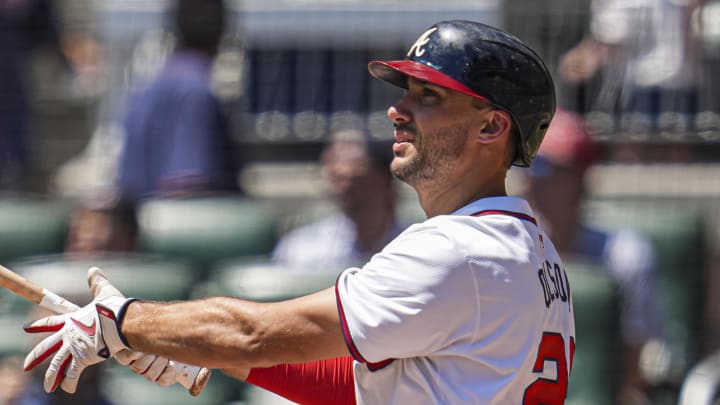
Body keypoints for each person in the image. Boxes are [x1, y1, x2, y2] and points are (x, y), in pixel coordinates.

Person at [22, 20, 576, 404]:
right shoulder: (533, 252)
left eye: (428, 97)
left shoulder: (458, 250)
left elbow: (254, 332)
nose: (397, 109)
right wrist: (198, 351)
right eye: (406, 91)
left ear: (490, 126)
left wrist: (123, 322)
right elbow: (358, 389)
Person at [520, 108, 663, 404]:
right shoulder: (512, 252)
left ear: (581, 176)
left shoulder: (624, 256)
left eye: (547, 167)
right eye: (529, 166)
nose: (533, 179)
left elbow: (632, 365)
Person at [117, 0, 242, 207]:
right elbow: (186, 188)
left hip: (143, 224)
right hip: (178, 231)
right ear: (222, 31)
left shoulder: (148, 86)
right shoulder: (194, 91)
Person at [271, 128, 403, 273]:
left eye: (355, 180)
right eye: (337, 178)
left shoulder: (413, 245)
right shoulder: (300, 248)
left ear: (385, 180)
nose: (343, 188)